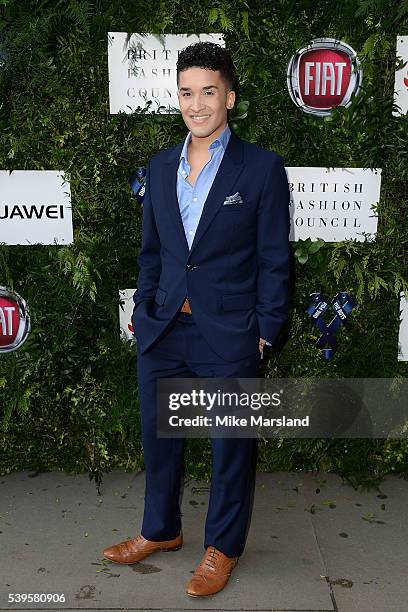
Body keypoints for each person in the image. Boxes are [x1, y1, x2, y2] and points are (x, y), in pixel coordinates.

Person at [103, 41, 291, 597]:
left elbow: (275, 259)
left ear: (229, 97)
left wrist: (263, 330)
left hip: (229, 332)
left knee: (230, 445)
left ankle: (222, 548)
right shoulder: (160, 166)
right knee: (159, 440)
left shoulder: (260, 168)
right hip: (163, 328)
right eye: (187, 93)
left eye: (208, 92)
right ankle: (159, 531)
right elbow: (152, 252)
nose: (197, 104)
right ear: (178, 97)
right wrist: (144, 310)